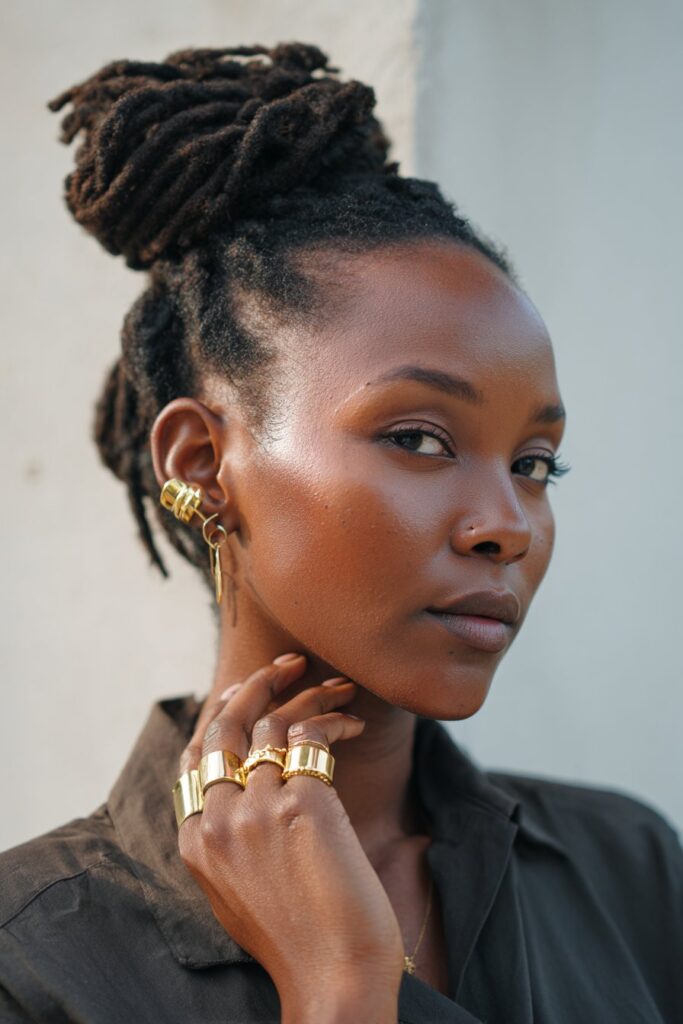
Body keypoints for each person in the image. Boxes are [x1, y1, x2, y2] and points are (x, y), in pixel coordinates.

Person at [0, 41, 680, 1024]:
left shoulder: (628, 872)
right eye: (417, 437)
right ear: (201, 463)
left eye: (534, 463)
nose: (505, 525)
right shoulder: (37, 964)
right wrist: (338, 991)